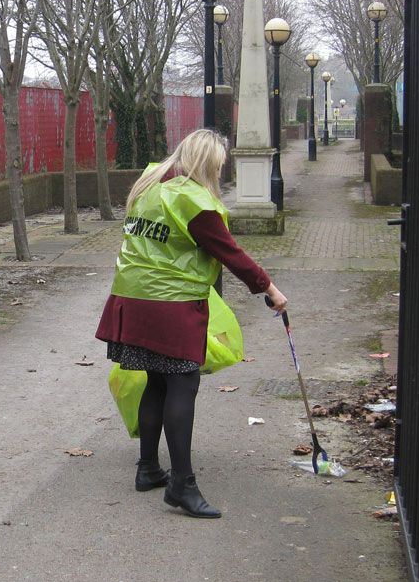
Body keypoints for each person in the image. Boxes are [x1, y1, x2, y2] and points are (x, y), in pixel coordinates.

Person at [96, 129, 287, 518]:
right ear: (206, 162)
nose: (219, 172)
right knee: (183, 382)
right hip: (170, 305)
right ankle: (182, 485)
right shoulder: (191, 200)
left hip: (132, 298)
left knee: (155, 379)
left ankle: (148, 468)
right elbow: (230, 253)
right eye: (218, 165)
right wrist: (270, 288)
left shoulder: (149, 184)